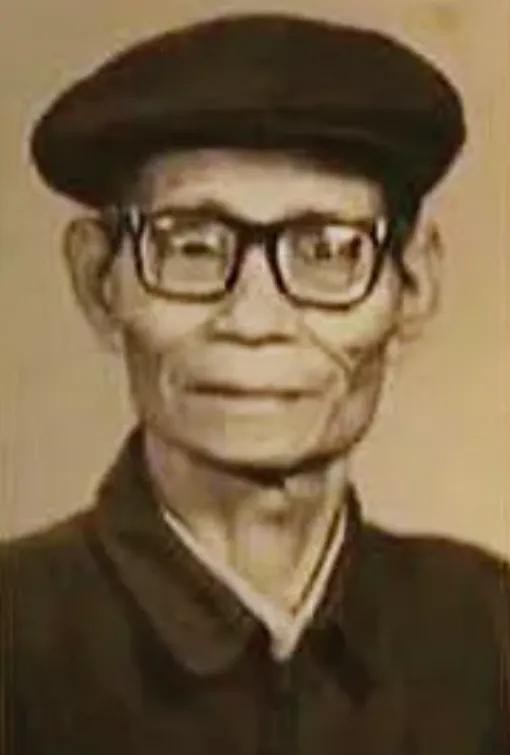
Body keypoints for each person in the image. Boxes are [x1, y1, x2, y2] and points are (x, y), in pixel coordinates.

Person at [2, 13, 509, 755]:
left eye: (326, 251)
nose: (255, 319)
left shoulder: (489, 634)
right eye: (191, 246)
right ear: (97, 279)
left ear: (414, 284)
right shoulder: (19, 639)